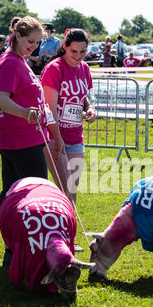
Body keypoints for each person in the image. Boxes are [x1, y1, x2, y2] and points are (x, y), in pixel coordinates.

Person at [0, 16, 63, 263]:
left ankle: (14, 251)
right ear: (17, 36)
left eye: (38, 42)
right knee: (34, 197)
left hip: (19, 140)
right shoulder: (11, 62)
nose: (34, 46)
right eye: (30, 41)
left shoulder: (18, 60)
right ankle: (34, 251)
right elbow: (0, 97)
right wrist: (25, 113)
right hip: (21, 141)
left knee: (12, 196)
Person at [41, 28, 96, 209]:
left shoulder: (85, 68)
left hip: (75, 136)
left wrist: (90, 109)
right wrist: (57, 138)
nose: (78, 56)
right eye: (74, 51)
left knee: (72, 190)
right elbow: (49, 108)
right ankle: (65, 230)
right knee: (65, 191)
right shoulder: (54, 69)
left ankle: (67, 230)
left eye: (83, 52)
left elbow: (82, 97)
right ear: (64, 46)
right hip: (55, 136)